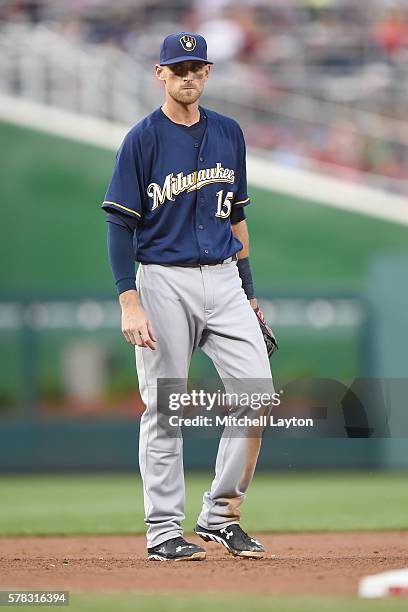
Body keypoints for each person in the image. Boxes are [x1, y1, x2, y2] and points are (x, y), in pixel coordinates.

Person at [102, 32, 276, 561]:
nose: (187, 76)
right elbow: (119, 224)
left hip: (224, 278)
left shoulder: (229, 133)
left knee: (257, 397)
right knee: (165, 408)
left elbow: (238, 217)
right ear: (159, 73)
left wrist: (248, 294)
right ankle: (162, 532)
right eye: (177, 68)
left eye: (196, 67)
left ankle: (220, 515)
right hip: (162, 279)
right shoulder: (142, 138)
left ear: (208, 72)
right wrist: (128, 298)